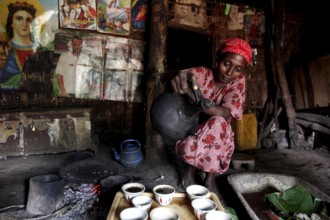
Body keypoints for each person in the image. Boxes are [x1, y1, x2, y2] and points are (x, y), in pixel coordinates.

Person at [169, 38, 253, 192]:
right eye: (226, 64)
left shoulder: (237, 83)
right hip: (192, 132)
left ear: (243, 71)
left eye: (238, 69)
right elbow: (185, 74)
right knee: (201, 125)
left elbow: (225, 113)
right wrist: (179, 75)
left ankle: (210, 176)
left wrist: (193, 95)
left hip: (219, 141)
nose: (229, 72)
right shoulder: (204, 74)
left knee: (218, 122)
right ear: (218, 58)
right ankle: (191, 169)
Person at [0, 1, 37, 89]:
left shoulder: (42, 50)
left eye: (28, 20)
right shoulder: (3, 49)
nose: (24, 24)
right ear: (11, 23)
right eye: (19, 18)